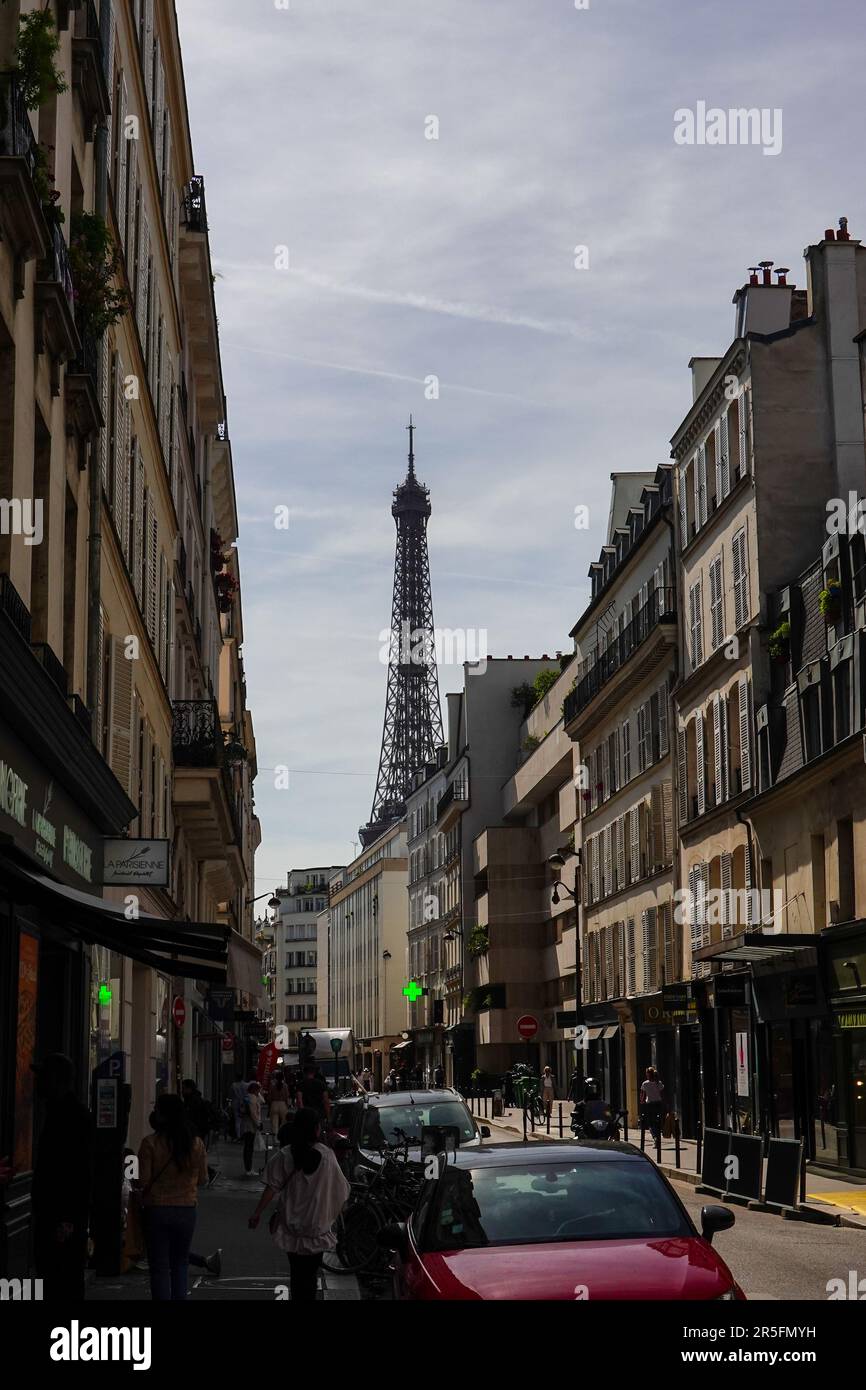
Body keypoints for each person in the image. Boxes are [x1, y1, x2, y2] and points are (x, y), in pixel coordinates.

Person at [248, 1108, 350, 1302]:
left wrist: (257, 1213)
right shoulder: (327, 1156)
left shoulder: (285, 1155)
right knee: (310, 1276)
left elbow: (271, 1187)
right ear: (316, 1129)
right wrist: (336, 1213)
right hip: (316, 1227)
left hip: (291, 1226)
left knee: (296, 1275)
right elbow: (340, 1190)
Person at [31, 1053, 93, 1302]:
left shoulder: (72, 1117)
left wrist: (68, 1218)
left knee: (61, 1279)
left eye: (42, 1077)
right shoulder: (58, 1113)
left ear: (56, 1081)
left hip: (61, 1218)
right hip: (54, 1214)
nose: (38, 1084)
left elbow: (79, 1171)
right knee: (55, 1278)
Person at [137, 1093, 208, 1300]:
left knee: (159, 1266)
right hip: (187, 1208)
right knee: (180, 1263)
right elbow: (203, 1179)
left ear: (161, 1115)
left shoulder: (149, 1143)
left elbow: (143, 1181)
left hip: (157, 1209)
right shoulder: (196, 1143)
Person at [241, 1082, 264, 1174]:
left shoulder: (247, 1097)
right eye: (258, 1090)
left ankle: (248, 1167)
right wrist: (258, 1123)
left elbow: (263, 1101)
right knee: (249, 1147)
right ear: (255, 1090)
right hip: (251, 1126)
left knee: (247, 1147)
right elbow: (253, 1113)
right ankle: (249, 1168)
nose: (259, 1092)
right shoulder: (253, 1099)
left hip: (247, 1125)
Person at [640, 1066, 665, 1142]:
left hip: (650, 1105)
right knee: (658, 1122)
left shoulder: (645, 1084)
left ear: (648, 1075)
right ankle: (658, 1135)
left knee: (650, 1123)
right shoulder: (659, 1083)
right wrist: (665, 1104)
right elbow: (662, 1094)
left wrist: (642, 1102)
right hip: (658, 1104)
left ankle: (655, 1137)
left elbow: (643, 1096)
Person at [268, 1070, 291, 1135]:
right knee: (284, 1122)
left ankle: (275, 1139)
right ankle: (282, 1136)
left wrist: (270, 1106)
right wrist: (287, 1105)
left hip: (274, 1104)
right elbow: (287, 1096)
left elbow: (269, 1097)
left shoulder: (272, 1085)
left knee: (274, 1123)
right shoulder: (285, 1086)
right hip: (282, 1104)